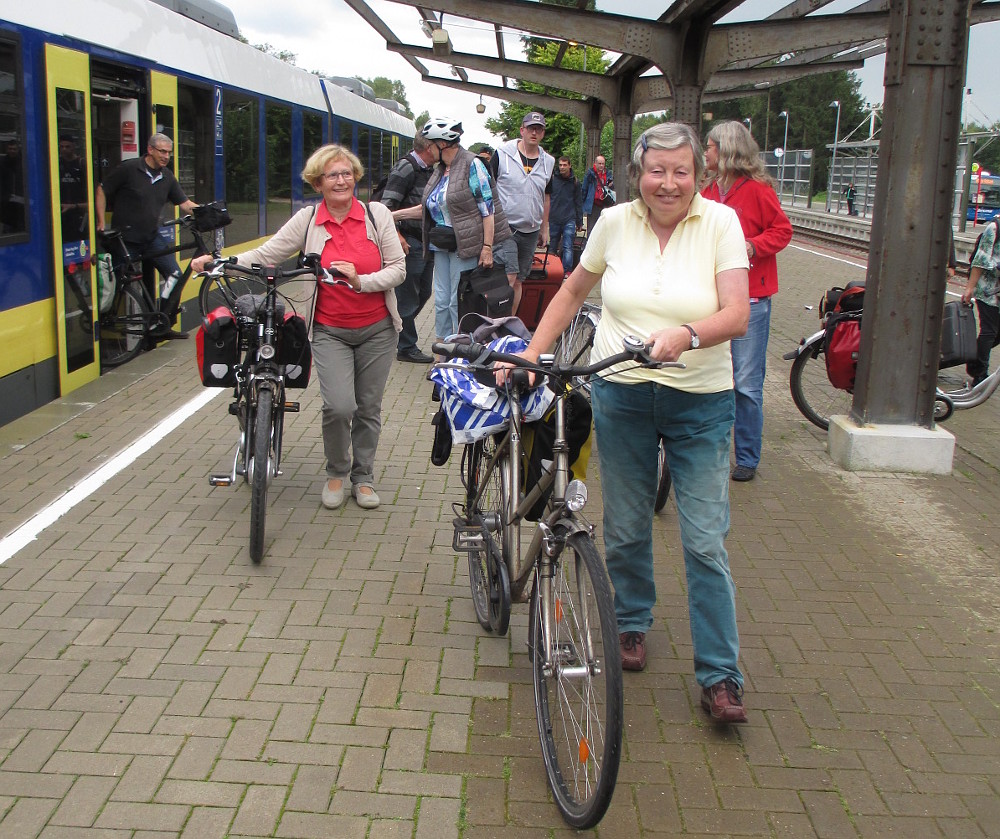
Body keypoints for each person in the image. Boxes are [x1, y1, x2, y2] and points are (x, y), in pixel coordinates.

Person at [506, 122, 751, 724]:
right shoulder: (613, 223)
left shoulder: (721, 224)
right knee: (627, 526)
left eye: (681, 171)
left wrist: (688, 335)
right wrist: (533, 353)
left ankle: (720, 675)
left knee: (704, 540)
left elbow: (738, 313)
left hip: (700, 401)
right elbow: (570, 292)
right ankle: (632, 625)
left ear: (700, 173)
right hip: (624, 393)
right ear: (637, 174)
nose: (668, 183)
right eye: (656, 170)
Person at [192, 144, 405, 510]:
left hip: (377, 329)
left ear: (355, 177)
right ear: (317, 182)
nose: (341, 181)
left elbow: (398, 269)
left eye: (347, 173)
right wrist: (222, 261)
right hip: (328, 329)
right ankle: (336, 473)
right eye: (332, 175)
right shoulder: (309, 220)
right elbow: (267, 254)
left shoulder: (376, 214)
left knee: (369, 407)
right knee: (339, 406)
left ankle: (363, 478)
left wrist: (360, 281)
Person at [702, 120, 792, 482]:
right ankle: (713, 448)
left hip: (752, 299)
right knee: (713, 377)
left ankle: (748, 457)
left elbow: (782, 230)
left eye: (709, 147)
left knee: (747, 383)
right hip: (713, 298)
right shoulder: (707, 192)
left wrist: (753, 245)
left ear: (725, 151)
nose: (704, 153)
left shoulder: (757, 190)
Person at [420, 117, 514, 345]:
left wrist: (487, 248)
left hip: (466, 246)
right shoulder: (440, 170)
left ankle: (462, 348)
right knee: (441, 300)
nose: (427, 149)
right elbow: (432, 206)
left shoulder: (472, 164)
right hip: (442, 245)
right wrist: (390, 215)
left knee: (457, 300)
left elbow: (487, 209)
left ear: (441, 145)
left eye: (429, 144)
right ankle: (442, 348)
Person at [96, 133, 198, 338]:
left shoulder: (167, 176)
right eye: (162, 151)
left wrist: (207, 212)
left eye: (169, 152)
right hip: (125, 240)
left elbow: (185, 204)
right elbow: (102, 190)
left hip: (151, 238)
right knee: (115, 283)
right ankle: (104, 321)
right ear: (150, 150)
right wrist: (100, 222)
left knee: (175, 275)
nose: (166, 156)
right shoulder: (129, 169)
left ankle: (162, 322)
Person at [377, 133, 437, 363]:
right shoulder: (406, 168)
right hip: (409, 241)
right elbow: (386, 207)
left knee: (424, 293)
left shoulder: (431, 170)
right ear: (428, 147)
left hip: (427, 241)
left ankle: (396, 329)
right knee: (408, 296)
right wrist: (398, 236)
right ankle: (406, 346)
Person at [490, 112, 555, 314]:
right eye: (530, 128)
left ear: (543, 133)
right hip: (506, 227)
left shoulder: (549, 162)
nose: (534, 132)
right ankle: (495, 325)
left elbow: (546, 196)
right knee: (509, 276)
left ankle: (508, 324)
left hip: (531, 229)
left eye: (539, 129)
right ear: (522, 130)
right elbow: (489, 189)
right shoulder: (502, 154)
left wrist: (545, 228)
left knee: (519, 280)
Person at [961, 218, 1000, 387]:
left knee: (995, 333)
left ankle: (973, 358)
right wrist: (970, 287)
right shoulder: (994, 227)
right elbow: (980, 259)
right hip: (987, 290)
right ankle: (980, 375)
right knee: (989, 330)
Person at [547, 156, 583, 276]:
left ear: (569, 165)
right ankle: (552, 271)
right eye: (560, 165)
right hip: (554, 217)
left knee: (568, 246)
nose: (562, 167)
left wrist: (579, 221)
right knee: (552, 246)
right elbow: (546, 199)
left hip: (569, 218)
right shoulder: (552, 179)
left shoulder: (575, 182)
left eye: (564, 165)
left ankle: (567, 271)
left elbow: (578, 202)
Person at [582, 154, 613, 235]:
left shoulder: (608, 174)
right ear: (595, 163)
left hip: (605, 204)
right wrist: (582, 203)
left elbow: (612, 189)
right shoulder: (590, 174)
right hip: (593, 204)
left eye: (603, 164)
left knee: (604, 229)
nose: (601, 165)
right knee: (591, 229)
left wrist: (611, 185)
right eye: (600, 163)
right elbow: (584, 189)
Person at [0, 139, 26, 235]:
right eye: (10, 149)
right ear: (7, 149)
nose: (12, 151)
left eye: (14, 149)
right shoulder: (3, 163)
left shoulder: (24, 163)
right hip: (7, 203)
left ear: (18, 149)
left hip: (21, 203)